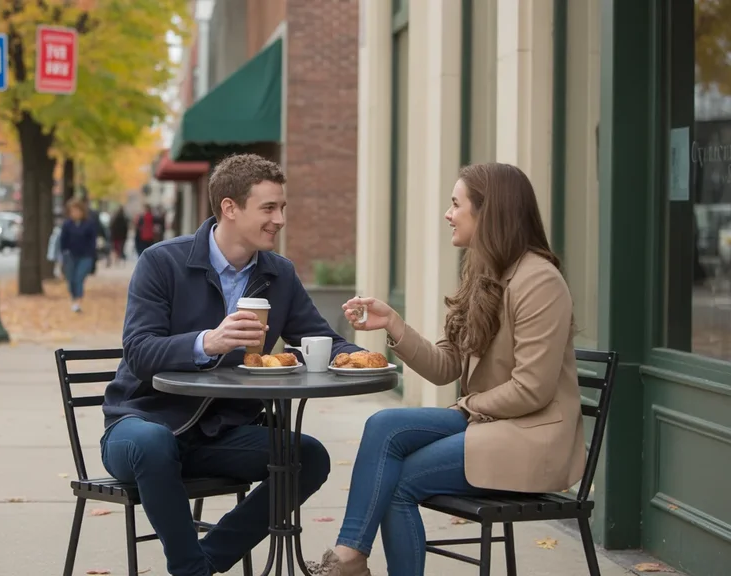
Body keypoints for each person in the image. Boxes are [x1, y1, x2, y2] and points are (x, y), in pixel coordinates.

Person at [307, 162, 584, 576]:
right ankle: (350, 558)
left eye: (456, 204)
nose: (447, 214)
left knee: (398, 483)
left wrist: (467, 407)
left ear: (488, 213)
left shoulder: (539, 281)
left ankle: (348, 562)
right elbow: (445, 366)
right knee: (384, 424)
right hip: (492, 423)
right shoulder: (485, 274)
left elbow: (532, 390)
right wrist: (393, 324)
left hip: (533, 436)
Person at [101, 153, 364, 576]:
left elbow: (322, 341)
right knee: (154, 443)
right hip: (141, 424)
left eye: (282, 208)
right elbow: (139, 351)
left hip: (219, 434)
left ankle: (206, 560)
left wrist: (357, 355)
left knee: (308, 457)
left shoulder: (279, 274)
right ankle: (192, 570)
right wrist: (209, 341)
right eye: (268, 208)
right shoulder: (163, 262)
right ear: (230, 207)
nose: (279, 219)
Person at [59, 198, 98, 313]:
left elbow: (92, 241)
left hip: (85, 256)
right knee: (71, 279)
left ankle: (78, 302)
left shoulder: (89, 224)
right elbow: (63, 240)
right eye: (72, 211)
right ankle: (74, 297)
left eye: (76, 211)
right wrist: (63, 254)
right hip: (70, 255)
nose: (74, 213)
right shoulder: (67, 224)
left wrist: (92, 254)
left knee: (79, 278)